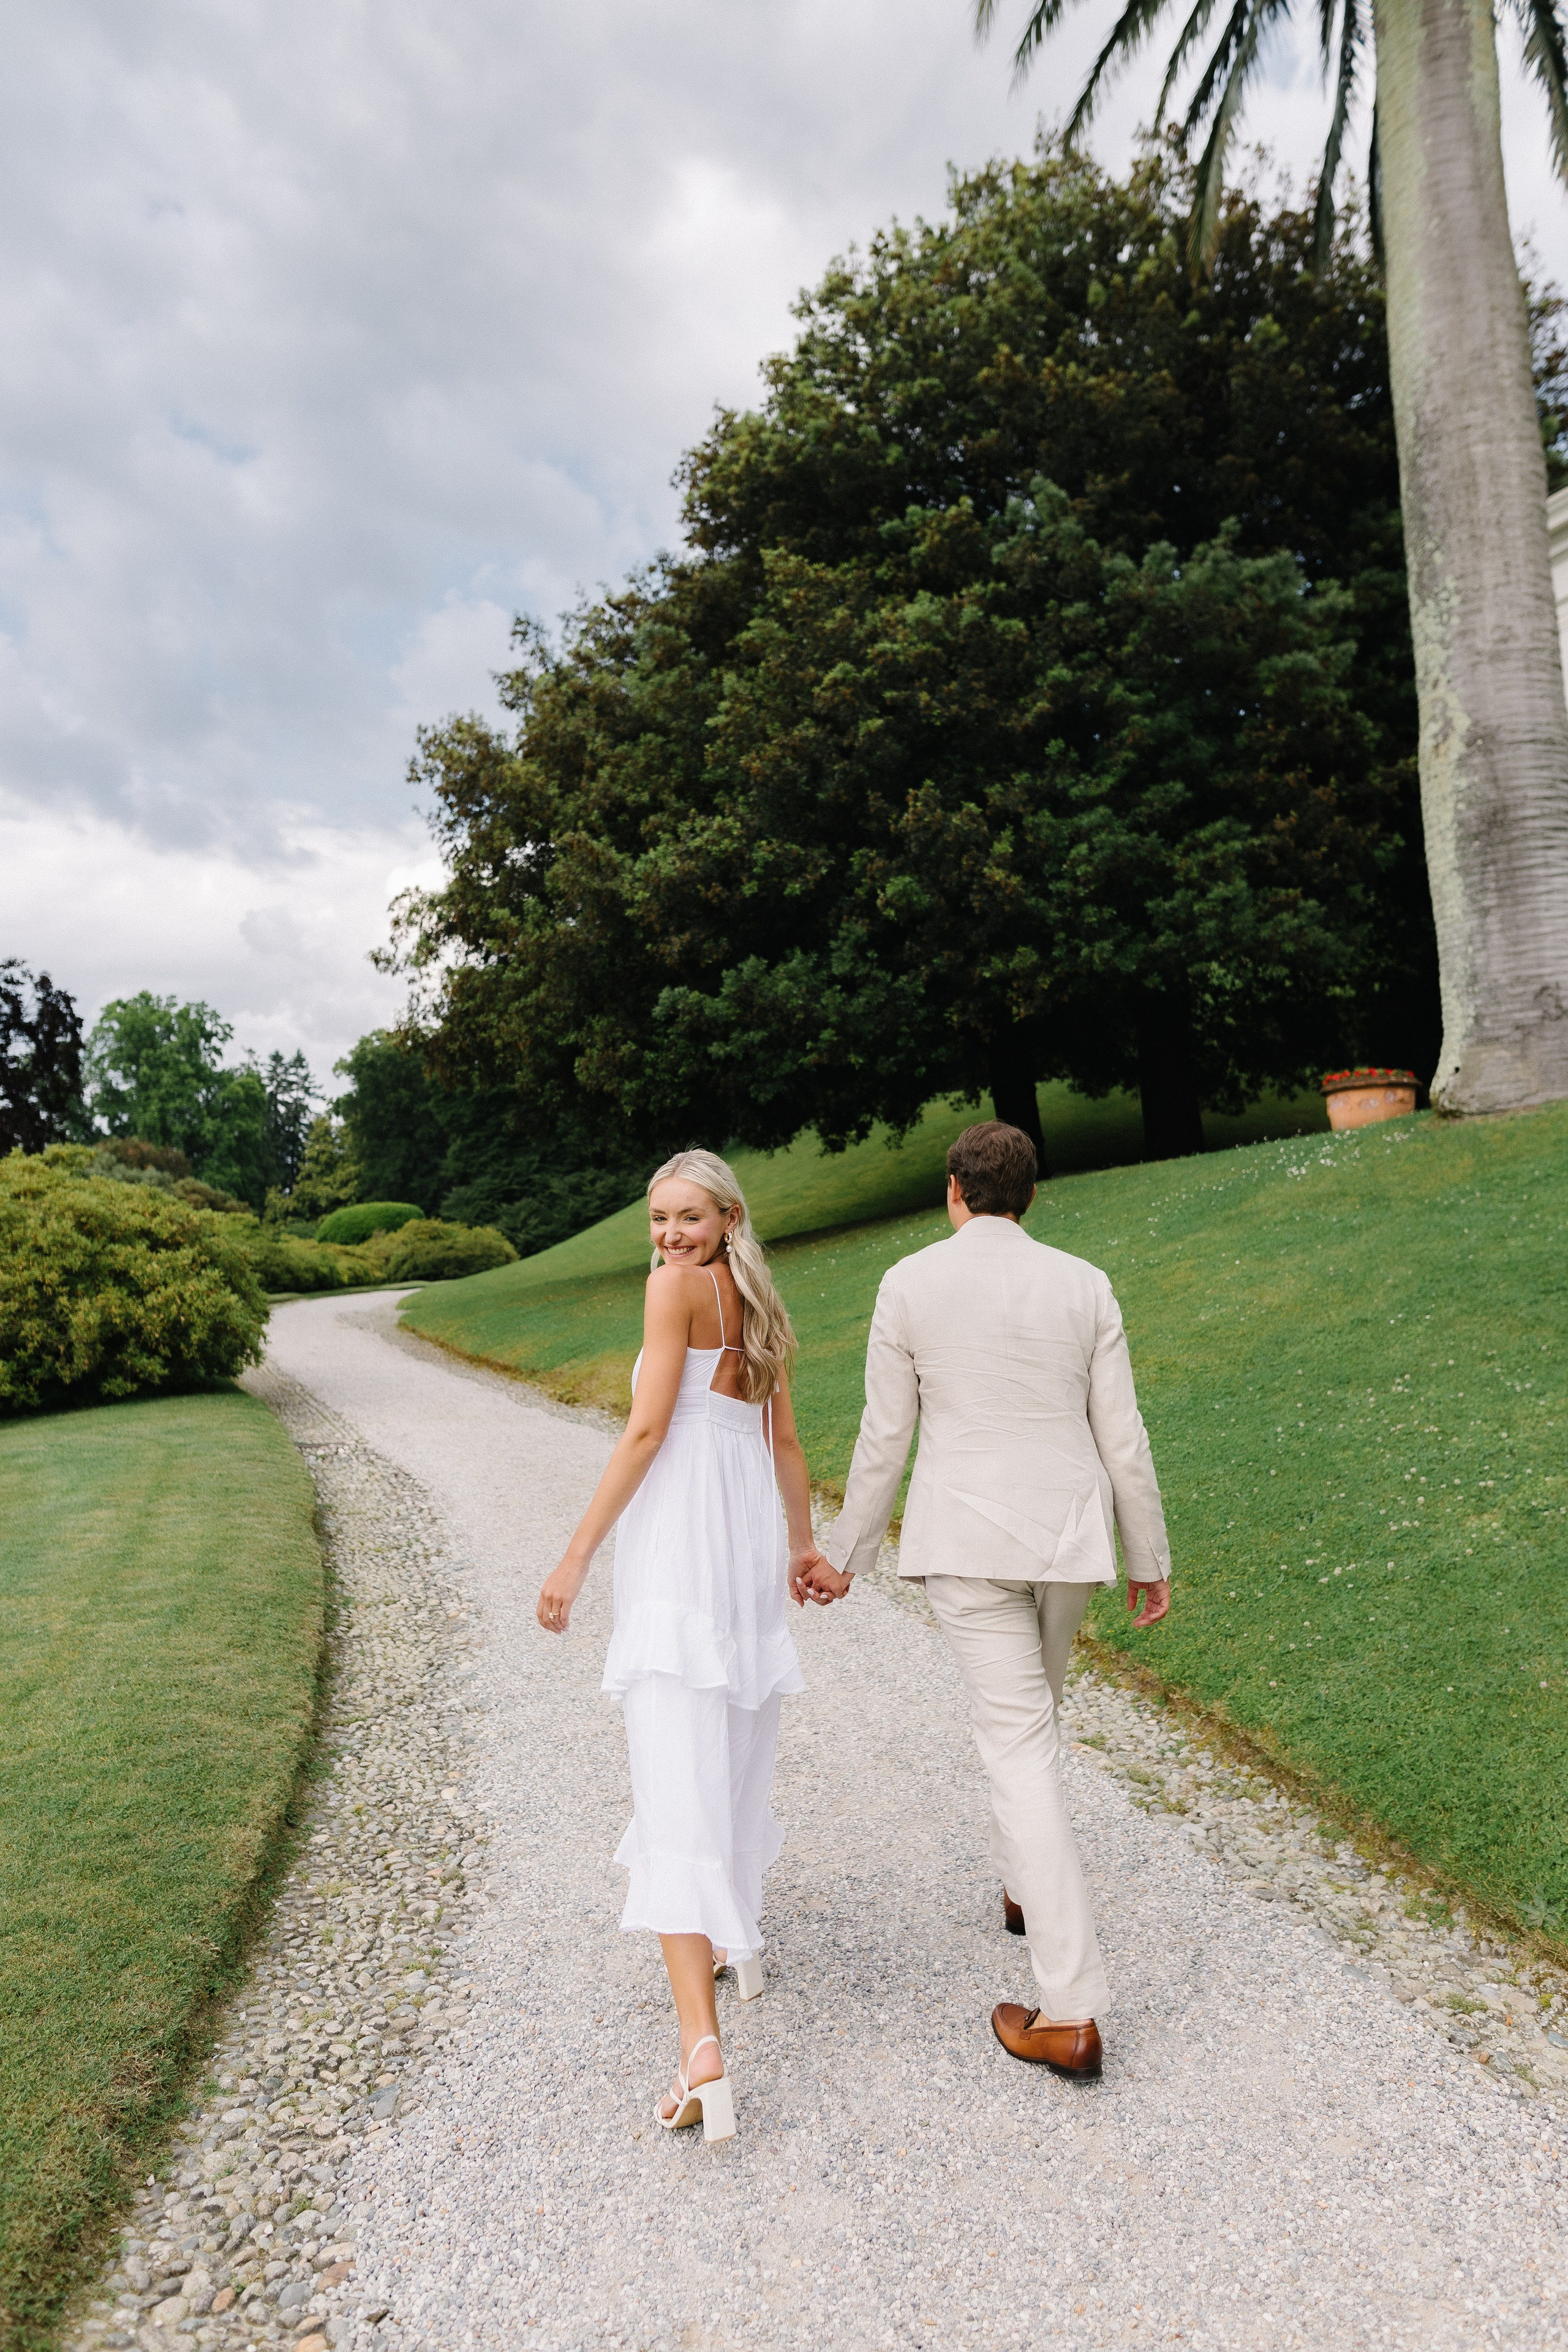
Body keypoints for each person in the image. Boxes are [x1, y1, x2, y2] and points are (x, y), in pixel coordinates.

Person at [803, 1120, 1171, 2080]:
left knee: (1018, 1746)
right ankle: (1024, 1887)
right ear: (1031, 1197)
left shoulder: (910, 1282)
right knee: (1035, 1724)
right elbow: (1122, 1435)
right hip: (1068, 1542)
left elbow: (887, 1435)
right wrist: (1148, 1554)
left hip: (968, 1542)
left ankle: (1071, 2010)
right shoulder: (1082, 1282)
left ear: (955, 1192)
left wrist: (845, 1556)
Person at [536, 1148, 829, 2143]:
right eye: (658, 1220)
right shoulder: (761, 1301)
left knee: (674, 1771)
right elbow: (783, 1445)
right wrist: (799, 1543)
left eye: (689, 1218)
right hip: (742, 1542)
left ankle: (701, 2055)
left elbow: (647, 1431)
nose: (668, 1236)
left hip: (683, 1547)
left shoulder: (674, 1293)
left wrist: (575, 1555)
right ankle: (736, 1945)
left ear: (729, 1216)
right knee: (733, 1745)